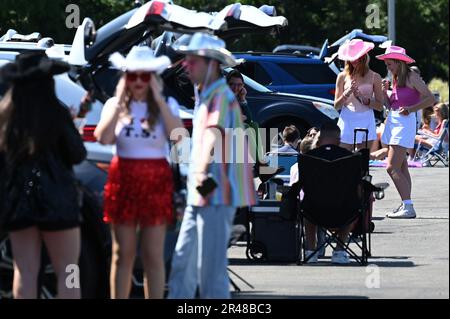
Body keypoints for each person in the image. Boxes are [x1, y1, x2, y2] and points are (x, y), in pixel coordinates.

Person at [168, 33, 256, 299]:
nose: (186, 65)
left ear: (211, 64)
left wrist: (202, 170)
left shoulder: (219, 97)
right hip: (204, 191)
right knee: (184, 263)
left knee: (210, 271)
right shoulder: (207, 94)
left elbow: (211, 135)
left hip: (214, 191)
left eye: (192, 61)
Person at [94, 46, 183, 299]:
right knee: (123, 254)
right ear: (125, 77)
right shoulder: (114, 104)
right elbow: (103, 137)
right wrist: (121, 102)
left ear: (153, 77)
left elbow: (179, 137)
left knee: (153, 256)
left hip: (155, 179)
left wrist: (159, 98)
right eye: (132, 76)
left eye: (145, 76)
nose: (138, 82)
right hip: (123, 178)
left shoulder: (168, 104)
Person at [0, 51, 86, 298]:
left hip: (18, 202)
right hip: (58, 202)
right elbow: (77, 154)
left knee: (24, 271)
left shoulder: (6, 116)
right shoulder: (56, 113)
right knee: (68, 271)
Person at [376, 45, 435, 218]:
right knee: (401, 167)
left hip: (404, 123)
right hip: (394, 121)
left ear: (398, 62)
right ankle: (405, 204)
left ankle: (408, 207)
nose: (388, 67)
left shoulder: (411, 76)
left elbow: (430, 98)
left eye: (389, 64)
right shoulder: (396, 78)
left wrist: (411, 109)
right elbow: (390, 105)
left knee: (391, 167)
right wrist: (383, 92)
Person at [301, 121, 354, 264]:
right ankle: (339, 250)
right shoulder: (350, 158)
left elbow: (303, 187)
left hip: (314, 211)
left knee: (307, 206)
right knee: (356, 203)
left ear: (318, 139)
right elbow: (357, 187)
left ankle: (310, 251)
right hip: (343, 211)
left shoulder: (308, 158)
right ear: (339, 140)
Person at [334, 39, 384, 151]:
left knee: (362, 158)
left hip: (366, 118)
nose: (354, 61)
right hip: (347, 118)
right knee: (344, 156)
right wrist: (347, 93)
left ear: (363, 57)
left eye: (357, 58)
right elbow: (336, 105)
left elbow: (380, 106)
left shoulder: (375, 77)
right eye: (351, 59)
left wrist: (365, 100)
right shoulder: (342, 76)